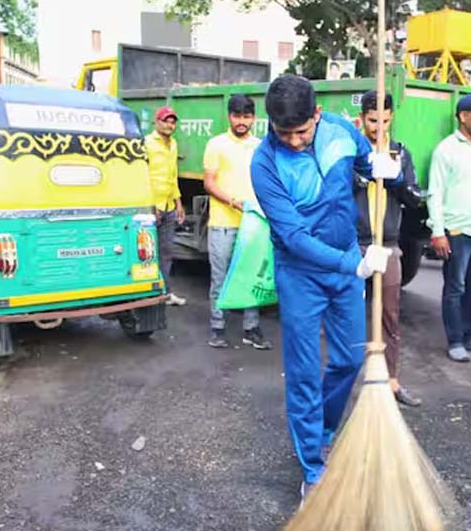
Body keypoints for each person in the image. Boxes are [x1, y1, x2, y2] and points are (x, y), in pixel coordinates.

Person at [250, 75, 398, 499]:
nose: (294, 141)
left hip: (347, 261)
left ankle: (324, 429)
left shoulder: (339, 129)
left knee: (351, 359)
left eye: (302, 131)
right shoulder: (264, 164)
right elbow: (294, 237)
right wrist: (354, 264)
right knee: (302, 372)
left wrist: (376, 166)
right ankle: (312, 465)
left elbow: (364, 160)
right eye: (284, 133)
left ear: (317, 114)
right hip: (300, 274)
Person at [353, 89, 423, 407]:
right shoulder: (351, 150)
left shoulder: (400, 153)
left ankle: (392, 381)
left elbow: (414, 198)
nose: (377, 127)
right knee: (348, 313)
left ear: (391, 116)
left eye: (383, 120)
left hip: (388, 244)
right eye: (371, 121)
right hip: (354, 243)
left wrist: (395, 180)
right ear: (362, 118)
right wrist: (361, 175)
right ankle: (349, 380)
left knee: (389, 316)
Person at [429, 94, 471, 363]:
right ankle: (455, 340)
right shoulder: (445, 150)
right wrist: (438, 231)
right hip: (456, 230)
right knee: (455, 287)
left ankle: (468, 335)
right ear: (463, 116)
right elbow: (435, 192)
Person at [202, 95, 272, 350]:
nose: (241, 121)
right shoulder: (216, 144)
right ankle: (217, 327)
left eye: (246, 116)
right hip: (222, 222)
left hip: (253, 225)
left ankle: (251, 329)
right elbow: (209, 182)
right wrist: (234, 202)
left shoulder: (261, 146)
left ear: (254, 118)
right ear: (229, 116)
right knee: (220, 278)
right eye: (237, 116)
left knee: (251, 277)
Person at [145, 106, 187, 306]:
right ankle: (147, 295)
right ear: (156, 122)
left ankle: (165, 293)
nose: (169, 125)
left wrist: (179, 203)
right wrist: (150, 205)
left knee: (167, 251)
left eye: (172, 122)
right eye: (165, 121)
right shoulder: (146, 143)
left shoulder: (173, 144)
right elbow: (141, 175)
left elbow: (172, 176)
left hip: (169, 205)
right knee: (147, 254)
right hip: (151, 207)